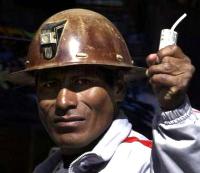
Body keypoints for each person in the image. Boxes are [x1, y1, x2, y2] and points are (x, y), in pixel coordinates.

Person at [10, 8, 200, 173]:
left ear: (118, 89)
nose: (63, 102)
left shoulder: (144, 164)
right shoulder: (48, 168)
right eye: (49, 85)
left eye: (81, 82)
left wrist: (175, 110)